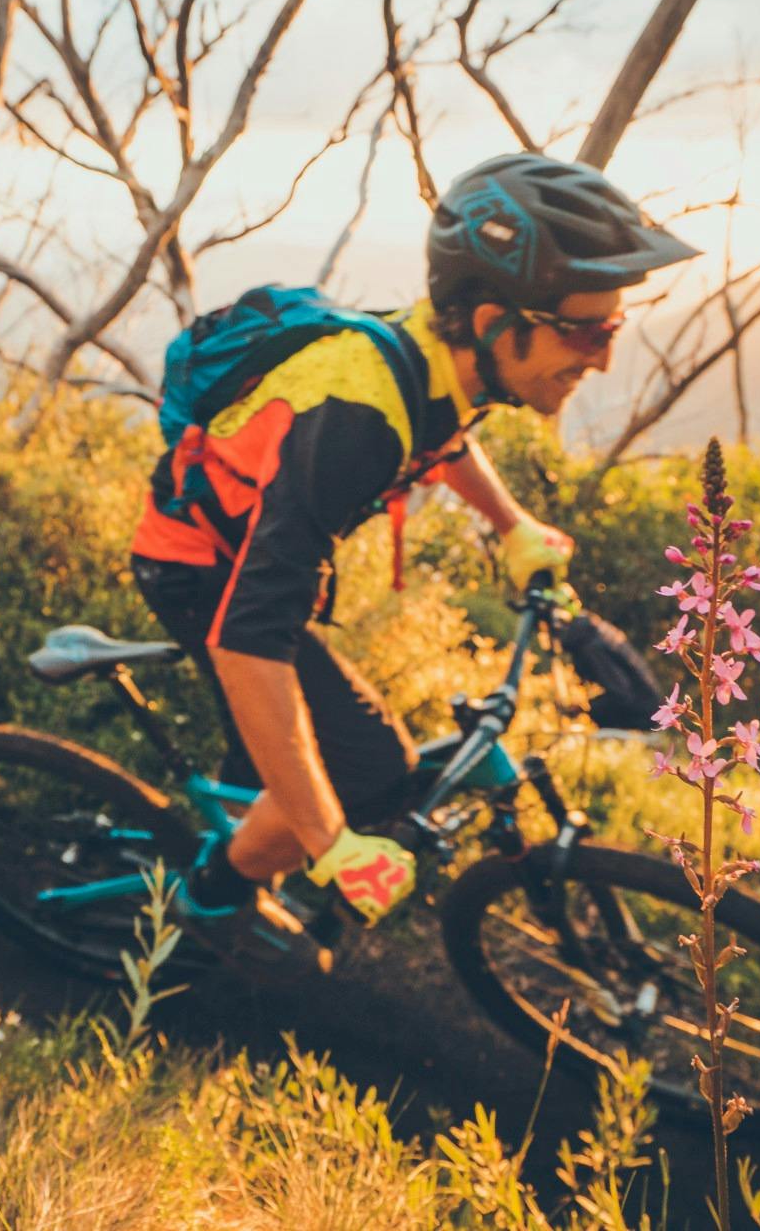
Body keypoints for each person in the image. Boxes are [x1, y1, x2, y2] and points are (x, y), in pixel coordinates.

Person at [128, 152, 698, 960]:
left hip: (249, 553)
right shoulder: (358, 419)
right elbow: (247, 642)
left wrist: (509, 523)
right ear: (496, 318)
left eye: (612, 328)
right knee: (365, 772)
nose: (602, 355)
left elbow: (441, 433)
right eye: (584, 329)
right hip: (196, 570)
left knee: (288, 760)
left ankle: (253, 827)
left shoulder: (433, 358)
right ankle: (205, 902)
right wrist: (332, 843)